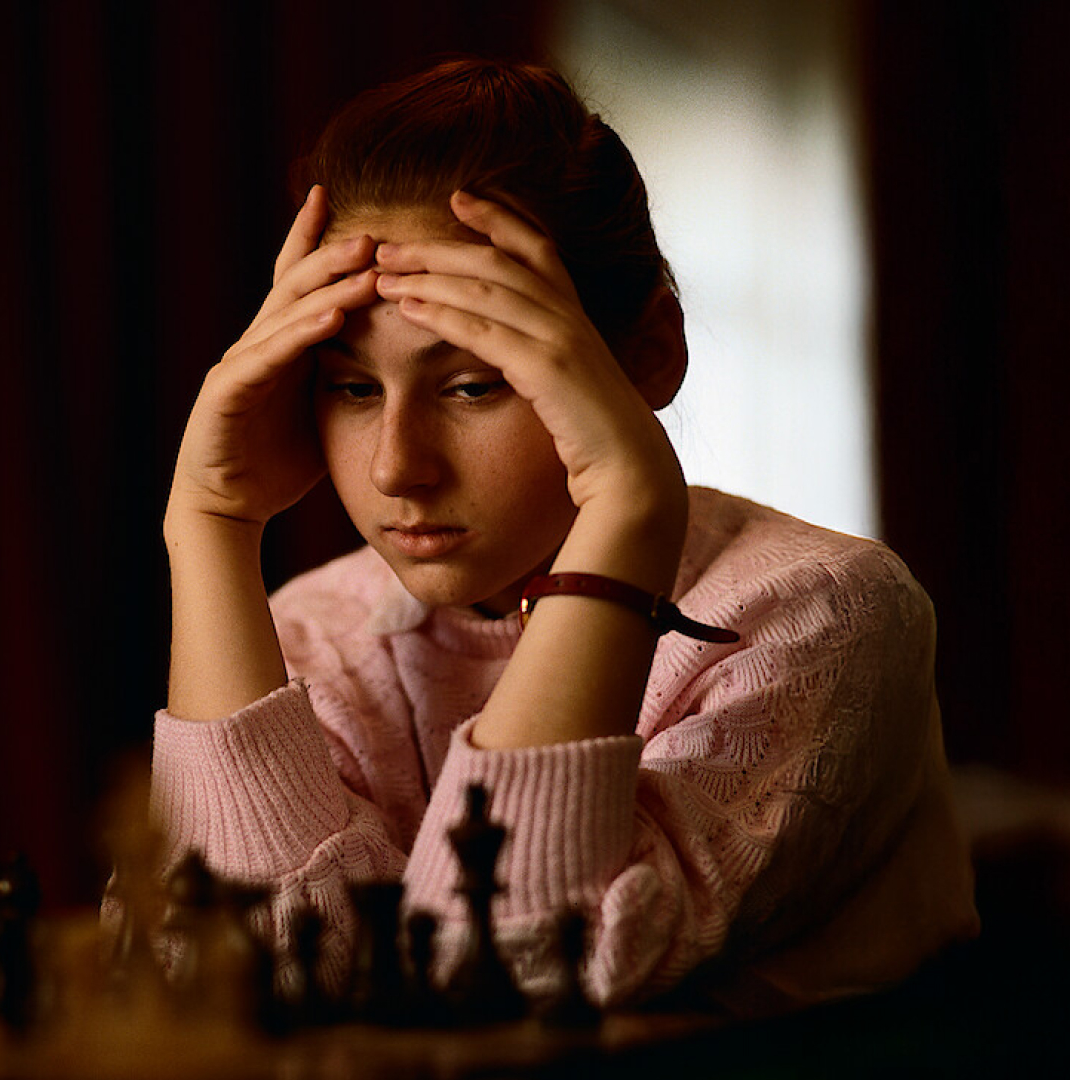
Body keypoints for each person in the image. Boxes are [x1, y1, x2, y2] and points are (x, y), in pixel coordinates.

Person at [142, 58, 979, 1014]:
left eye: (472, 385)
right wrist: (206, 524)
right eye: (352, 388)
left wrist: (628, 505)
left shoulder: (826, 610)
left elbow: (505, 974)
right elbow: (257, 979)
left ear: (647, 356)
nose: (395, 468)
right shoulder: (307, 632)